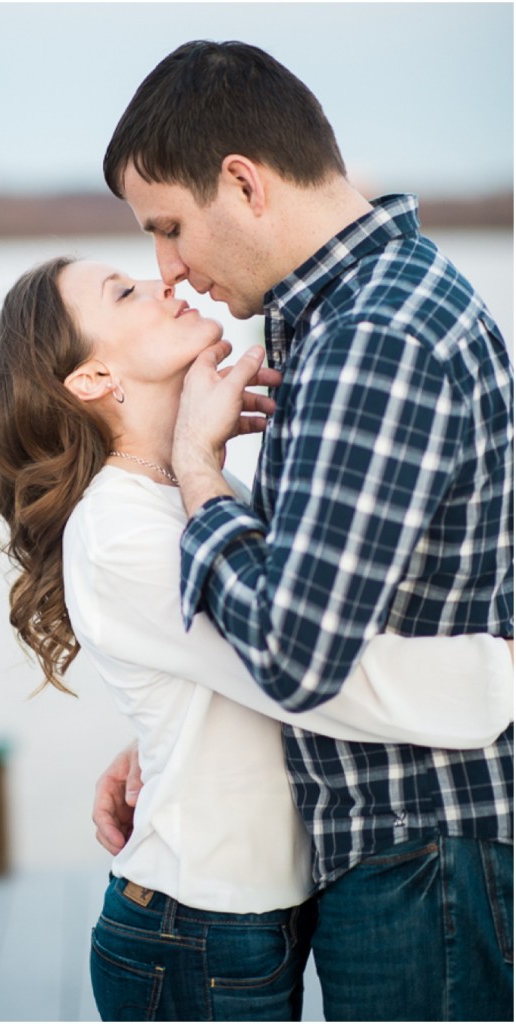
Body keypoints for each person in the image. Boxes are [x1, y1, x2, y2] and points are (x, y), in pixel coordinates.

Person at [0, 255, 513, 1022]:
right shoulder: (120, 529)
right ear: (91, 380)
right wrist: (498, 674)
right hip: (191, 931)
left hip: (250, 918)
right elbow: (311, 675)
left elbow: (247, 663)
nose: (162, 282)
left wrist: (153, 744)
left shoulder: (190, 494)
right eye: (123, 292)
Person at [97, 40, 514, 1021]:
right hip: (413, 843)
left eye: (169, 228)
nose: (169, 271)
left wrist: (200, 475)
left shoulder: (372, 338)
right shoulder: (356, 315)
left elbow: (295, 649)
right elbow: (336, 595)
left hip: (418, 848)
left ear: (241, 182)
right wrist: (173, 731)